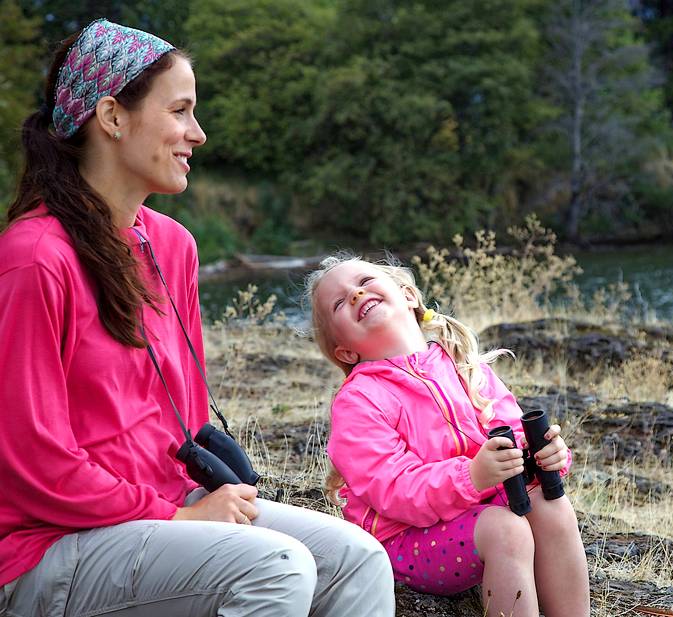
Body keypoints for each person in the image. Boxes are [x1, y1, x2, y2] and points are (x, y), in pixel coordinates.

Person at [0, 19, 393, 617]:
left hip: (163, 510)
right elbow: (30, 460)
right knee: (273, 569)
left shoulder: (173, 246)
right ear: (112, 117)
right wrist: (177, 517)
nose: (198, 134)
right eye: (180, 111)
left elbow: (178, 420)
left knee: (357, 558)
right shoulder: (34, 258)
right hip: (48, 545)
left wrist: (191, 504)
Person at [307, 254, 591, 617]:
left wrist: (544, 457)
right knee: (506, 530)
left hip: (474, 510)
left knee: (552, 505)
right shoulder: (359, 401)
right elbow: (393, 489)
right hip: (404, 539)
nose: (357, 294)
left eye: (364, 281)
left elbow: (514, 434)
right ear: (346, 350)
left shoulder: (462, 364)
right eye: (339, 302)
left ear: (408, 295)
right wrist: (472, 476)